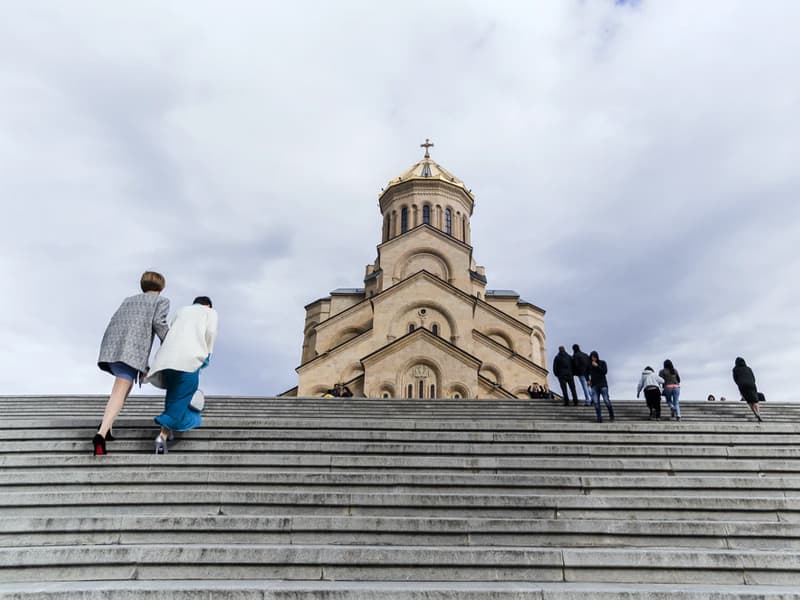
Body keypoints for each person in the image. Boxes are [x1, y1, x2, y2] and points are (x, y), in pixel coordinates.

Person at [93, 271, 170, 456]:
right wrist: (171, 343)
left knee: (123, 390)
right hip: (131, 351)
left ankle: (108, 427)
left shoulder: (128, 300)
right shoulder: (161, 301)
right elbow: (159, 324)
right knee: (119, 391)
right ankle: (101, 435)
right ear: (161, 287)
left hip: (113, 346)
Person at [146, 296, 218, 454]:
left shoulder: (181, 311)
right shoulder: (209, 312)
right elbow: (211, 332)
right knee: (186, 392)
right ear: (208, 305)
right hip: (190, 357)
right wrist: (207, 355)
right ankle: (162, 434)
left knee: (173, 394)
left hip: (168, 357)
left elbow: (169, 331)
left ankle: (168, 431)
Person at [732, 357, 763, 422]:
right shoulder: (749, 369)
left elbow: (735, 379)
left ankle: (755, 413)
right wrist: (752, 383)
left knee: (749, 401)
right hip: (751, 384)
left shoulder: (735, 369)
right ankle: (759, 414)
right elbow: (753, 377)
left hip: (742, 385)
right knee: (755, 401)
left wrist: (739, 384)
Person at [587, 350, 614, 422]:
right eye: (592, 357)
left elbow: (604, 372)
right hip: (594, 386)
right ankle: (599, 418)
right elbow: (586, 373)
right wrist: (588, 380)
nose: (593, 359)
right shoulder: (589, 365)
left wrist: (597, 366)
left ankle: (611, 414)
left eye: (594, 357)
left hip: (603, 385)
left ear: (597, 357)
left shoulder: (602, 363)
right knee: (596, 402)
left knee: (606, 400)